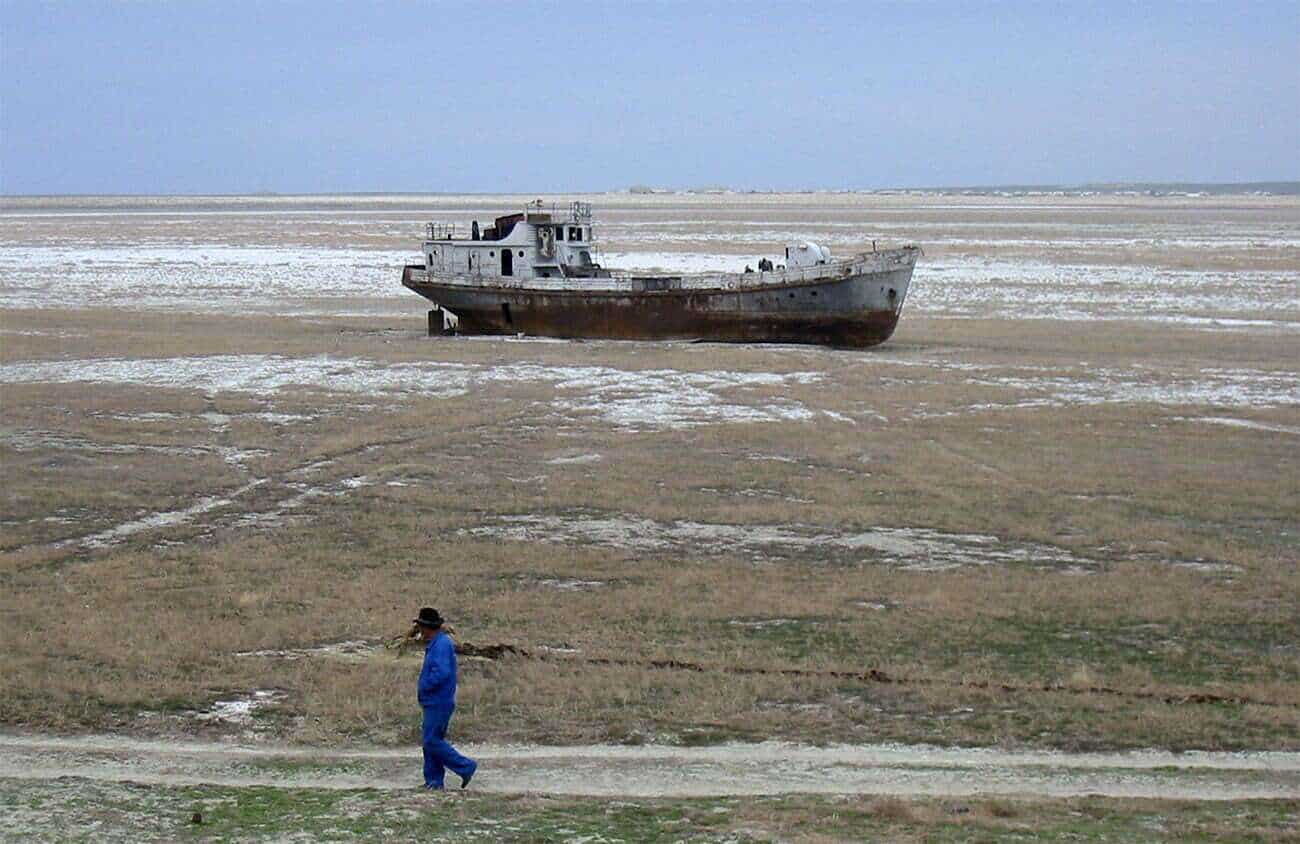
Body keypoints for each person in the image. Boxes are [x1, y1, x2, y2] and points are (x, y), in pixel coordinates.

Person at [413, 607, 477, 790]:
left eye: (421, 627)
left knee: (431, 741)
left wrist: (425, 685)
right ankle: (433, 781)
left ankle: (466, 767)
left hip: (438, 701)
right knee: (430, 740)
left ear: (427, 627)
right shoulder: (437, 643)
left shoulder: (441, 645)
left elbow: (442, 672)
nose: (419, 631)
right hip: (433, 700)